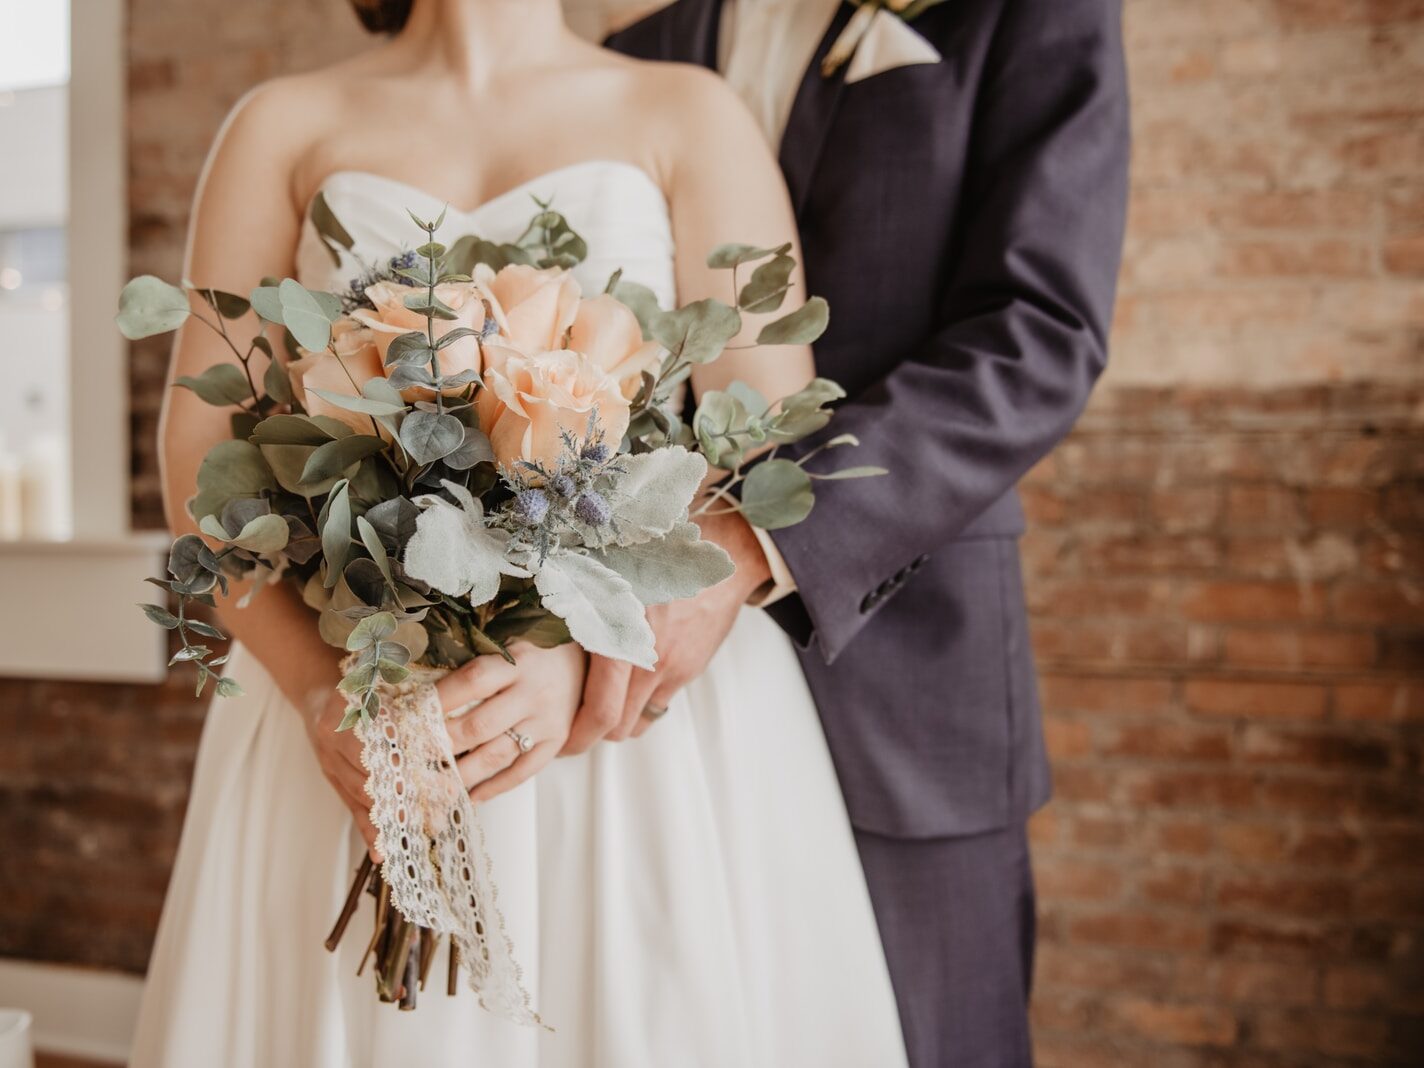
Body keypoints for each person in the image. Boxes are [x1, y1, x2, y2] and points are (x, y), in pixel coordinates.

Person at [129, 1, 908, 1065]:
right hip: (363, 697)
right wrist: (324, 691)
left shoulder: (686, 113)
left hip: (625, 729)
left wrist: (569, 642)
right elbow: (198, 459)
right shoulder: (281, 123)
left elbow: (764, 453)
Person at [592, 1, 1131, 1065]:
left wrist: (751, 540)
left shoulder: (1031, 13)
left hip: (905, 678)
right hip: (646, 721)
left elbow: (1037, 333)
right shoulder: (634, 49)